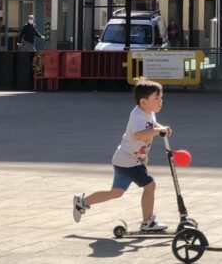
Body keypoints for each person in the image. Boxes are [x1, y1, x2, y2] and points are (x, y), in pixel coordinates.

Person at [72, 78, 171, 232]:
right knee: (150, 186)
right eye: (156, 98)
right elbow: (139, 135)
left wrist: (161, 127)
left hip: (125, 160)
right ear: (143, 102)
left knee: (116, 193)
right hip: (129, 161)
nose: (161, 101)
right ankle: (147, 222)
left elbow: (151, 126)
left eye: (161, 98)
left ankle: (82, 202)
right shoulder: (138, 115)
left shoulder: (148, 113)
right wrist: (159, 131)